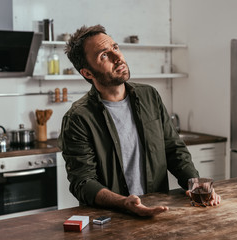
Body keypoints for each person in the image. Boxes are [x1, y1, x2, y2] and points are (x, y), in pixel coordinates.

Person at [58, 24, 221, 217]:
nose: (117, 57)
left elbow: (173, 149)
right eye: (104, 55)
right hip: (113, 217)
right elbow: (83, 182)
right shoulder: (78, 118)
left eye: (115, 48)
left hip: (158, 210)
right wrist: (124, 203)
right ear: (87, 73)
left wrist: (196, 185)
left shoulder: (149, 95)